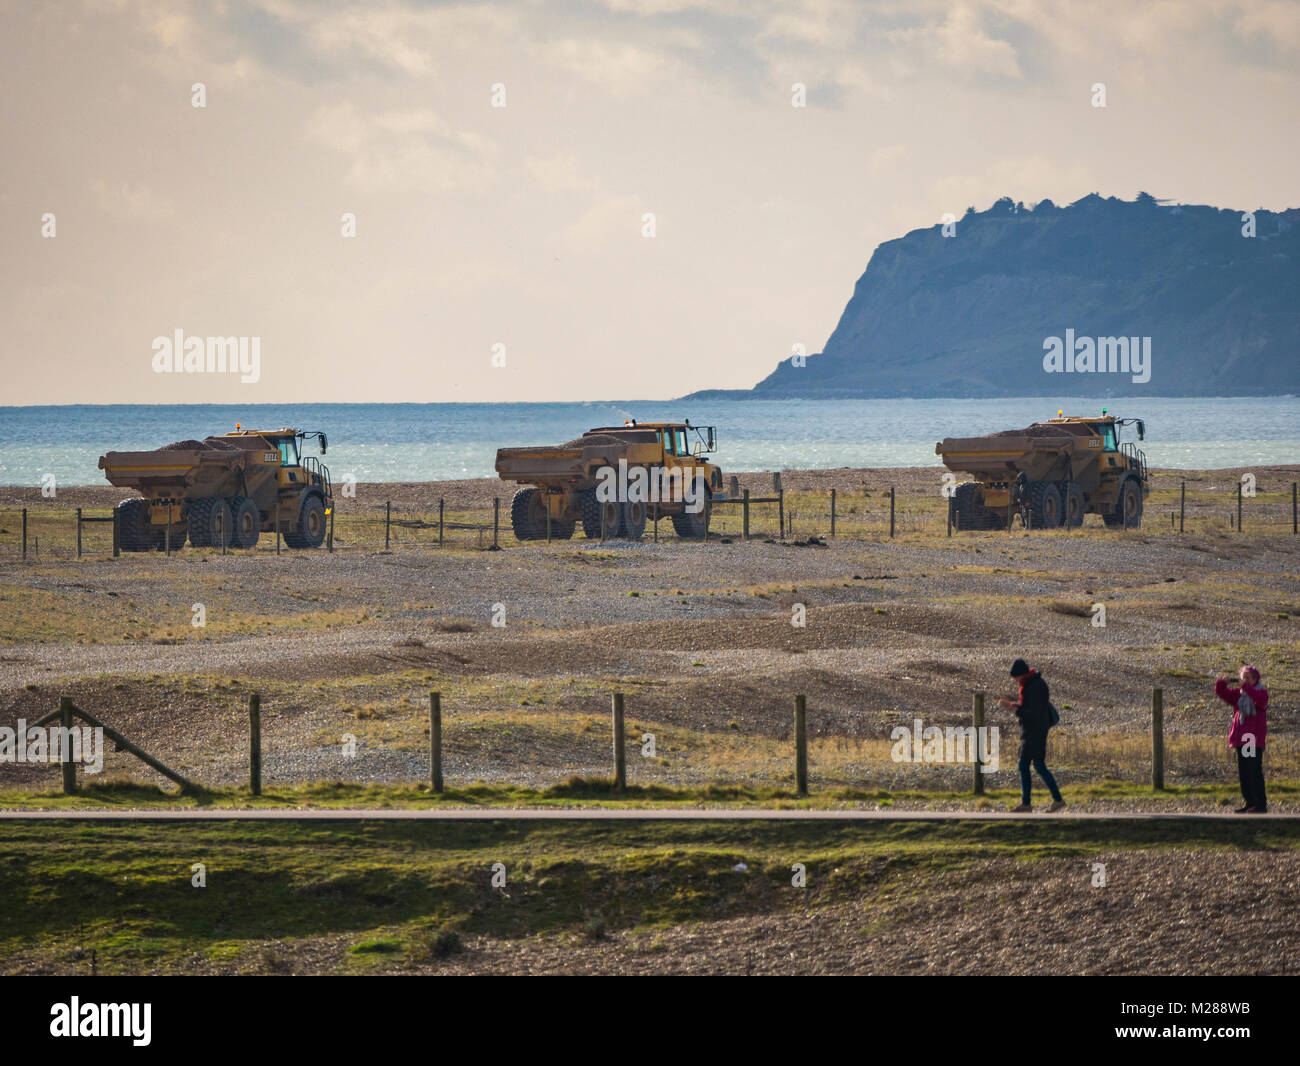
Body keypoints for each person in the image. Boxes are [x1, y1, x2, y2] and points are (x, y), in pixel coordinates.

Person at [998, 658, 1066, 812]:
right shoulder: (1034, 683)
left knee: (1028, 765)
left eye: (1015, 677)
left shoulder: (1032, 686)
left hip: (1033, 732)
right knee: (1036, 765)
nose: (1015, 681)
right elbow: (1032, 707)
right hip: (1036, 730)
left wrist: (1014, 710)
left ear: (1021, 674)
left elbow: (1032, 713)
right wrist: (1015, 705)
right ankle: (1055, 800)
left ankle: (1030, 803)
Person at [1215, 666, 1269, 813]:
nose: (1244, 681)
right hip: (1242, 737)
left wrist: (1245, 686)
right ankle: (1250, 802)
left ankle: (1259, 803)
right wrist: (1221, 683)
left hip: (1251, 737)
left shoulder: (1260, 692)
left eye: (1248, 678)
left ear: (1255, 679)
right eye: (1242, 677)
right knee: (1244, 772)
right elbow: (1222, 693)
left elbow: (1260, 700)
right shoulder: (1239, 695)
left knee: (1253, 770)